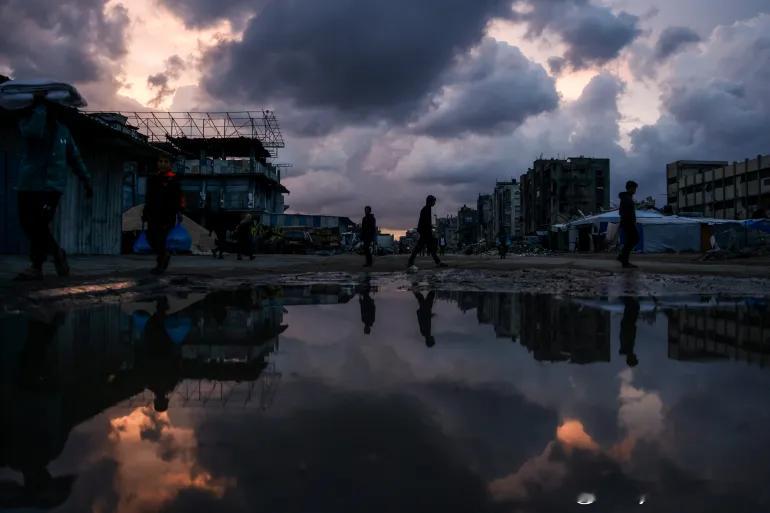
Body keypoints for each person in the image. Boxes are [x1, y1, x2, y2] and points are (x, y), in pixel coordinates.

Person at [14, 97, 93, 280]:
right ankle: (57, 253)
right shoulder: (29, 122)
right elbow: (32, 133)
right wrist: (40, 108)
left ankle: (36, 266)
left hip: (51, 189)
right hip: (28, 185)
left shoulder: (63, 132)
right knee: (28, 225)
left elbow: (75, 158)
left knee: (39, 225)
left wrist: (86, 181)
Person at [143, 157, 184, 274]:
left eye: (166, 161)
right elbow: (148, 197)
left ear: (170, 164)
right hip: (153, 214)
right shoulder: (153, 178)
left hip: (167, 214)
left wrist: (180, 211)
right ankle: (164, 255)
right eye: (160, 161)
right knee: (151, 238)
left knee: (160, 239)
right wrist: (145, 212)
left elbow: (179, 197)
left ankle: (160, 264)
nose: (162, 164)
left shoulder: (174, 179)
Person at [407, 195, 447, 269]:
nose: (434, 203)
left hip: (426, 232)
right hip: (425, 232)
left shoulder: (427, 209)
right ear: (430, 201)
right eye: (434, 201)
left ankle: (438, 262)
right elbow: (425, 222)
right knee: (420, 248)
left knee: (429, 248)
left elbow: (425, 222)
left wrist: (430, 227)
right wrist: (431, 227)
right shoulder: (426, 209)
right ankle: (410, 262)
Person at [618, 180, 639, 269]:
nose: (635, 190)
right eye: (634, 188)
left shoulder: (627, 198)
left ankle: (623, 258)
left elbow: (621, 211)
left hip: (628, 222)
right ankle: (624, 260)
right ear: (629, 188)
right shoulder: (626, 198)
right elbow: (624, 212)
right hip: (628, 223)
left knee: (631, 240)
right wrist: (628, 221)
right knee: (634, 239)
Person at [619, 296, 640, 367]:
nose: (636, 356)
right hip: (628, 325)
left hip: (628, 325)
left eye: (635, 358)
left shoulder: (627, 349)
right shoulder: (628, 349)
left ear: (631, 358)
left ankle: (625, 297)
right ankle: (626, 298)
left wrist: (631, 328)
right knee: (633, 308)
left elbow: (626, 336)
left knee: (633, 307)